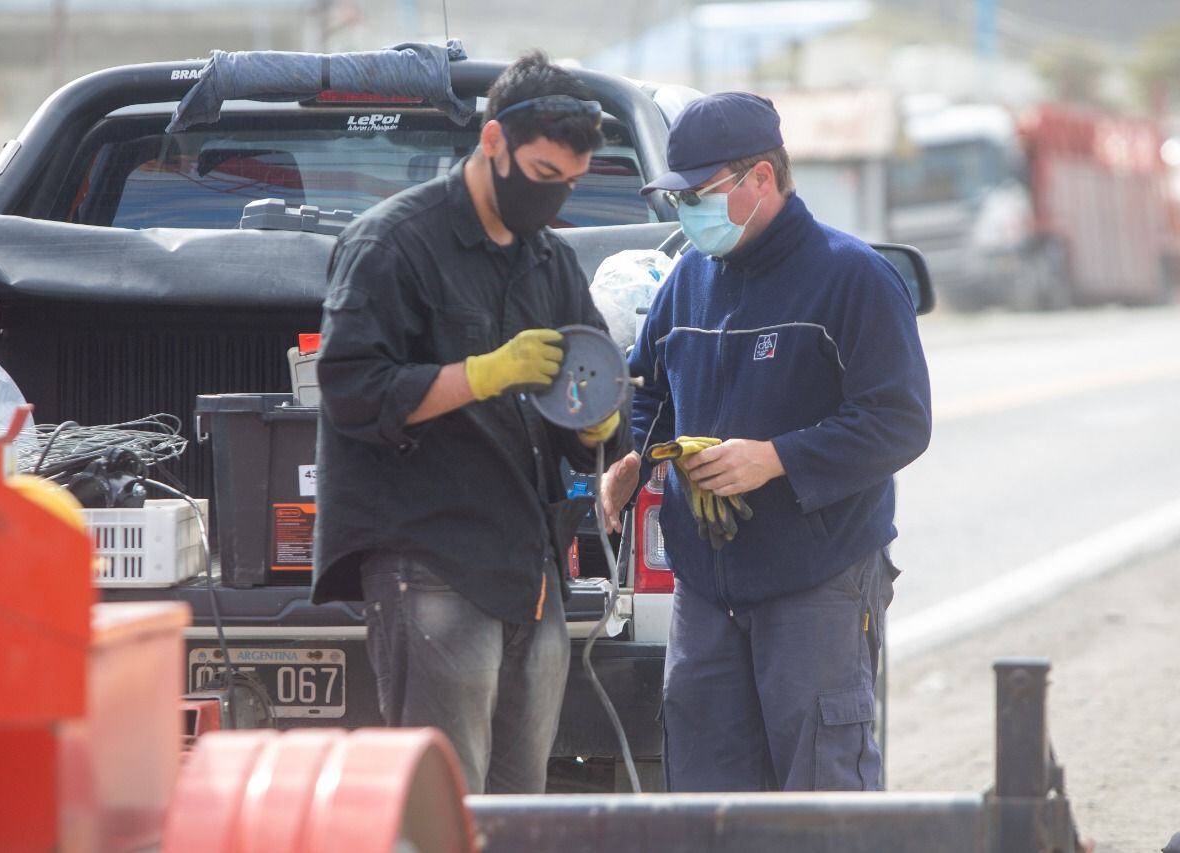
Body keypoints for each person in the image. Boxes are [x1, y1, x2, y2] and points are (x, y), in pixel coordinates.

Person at [310, 50, 629, 796]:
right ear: (493, 143)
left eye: (571, 185)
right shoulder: (394, 244)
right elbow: (353, 390)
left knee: (520, 806)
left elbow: (594, 382)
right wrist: (484, 373)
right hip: (432, 561)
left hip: (529, 566)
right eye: (544, 178)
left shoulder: (547, 262)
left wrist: (592, 424)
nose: (554, 199)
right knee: (445, 803)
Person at [601, 91, 932, 792]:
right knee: (706, 799)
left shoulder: (851, 278)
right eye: (680, 194)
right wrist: (632, 458)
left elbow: (900, 419)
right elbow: (651, 391)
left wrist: (775, 458)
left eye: (700, 192)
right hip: (704, 589)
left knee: (820, 794)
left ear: (760, 178)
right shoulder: (688, 280)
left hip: (817, 578)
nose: (688, 209)